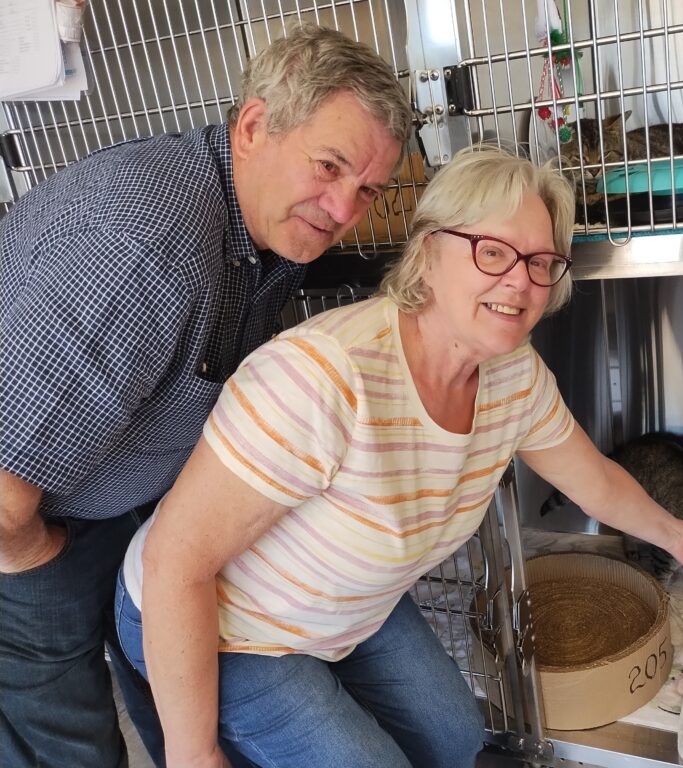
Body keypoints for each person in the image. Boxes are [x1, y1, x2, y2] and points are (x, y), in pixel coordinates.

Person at [113, 144, 683, 768]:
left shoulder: (514, 375)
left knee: (453, 739)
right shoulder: (321, 378)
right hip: (224, 626)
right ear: (429, 254)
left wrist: (676, 534)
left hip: (348, 610)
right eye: (493, 252)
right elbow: (176, 566)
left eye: (542, 262)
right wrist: (193, 754)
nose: (520, 281)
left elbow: (594, 479)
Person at [0, 24, 411, 768]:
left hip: (111, 505)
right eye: (329, 167)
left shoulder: (259, 219)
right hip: (23, 535)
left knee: (168, 700)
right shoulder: (146, 250)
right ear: (254, 125)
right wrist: (42, 556)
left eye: (366, 190)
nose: (342, 207)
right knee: (64, 746)